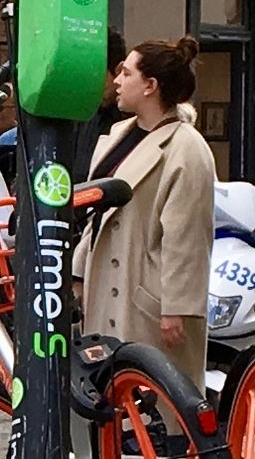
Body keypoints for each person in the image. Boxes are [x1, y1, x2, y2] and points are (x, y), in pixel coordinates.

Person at [80, 36, 218, 376]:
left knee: (155, 407)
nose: (117, 80)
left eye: (127, 73)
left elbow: (186, 236)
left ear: (150, 86)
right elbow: (95, 212)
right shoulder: (117, 134)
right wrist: (78, 269)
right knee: (110, 400)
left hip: (148, 302)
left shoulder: (187, 148)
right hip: (108, 289)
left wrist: (176, 308)